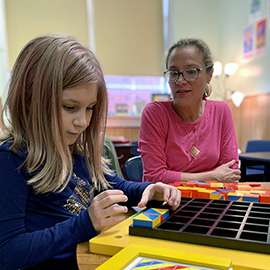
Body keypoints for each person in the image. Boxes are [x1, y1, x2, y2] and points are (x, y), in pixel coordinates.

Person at [0, 34, 181, 270]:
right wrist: (85, 223)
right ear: (29, 99)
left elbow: (114, 185)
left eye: (90, 108)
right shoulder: (11, 159)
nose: (83, 121)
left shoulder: (75, 152)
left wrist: (148, 189)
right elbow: (8, 252)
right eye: (70, 107)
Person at [139, 38, 241, 184]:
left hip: (212, 199)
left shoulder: (221, 111)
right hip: (165, 202)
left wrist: (177, 177)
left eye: (191, 71)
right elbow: (155, 177)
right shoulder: (155, 113)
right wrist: (212, 176)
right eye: (174, 73)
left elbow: (230, 171)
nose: (180, 81)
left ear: (209, 74)